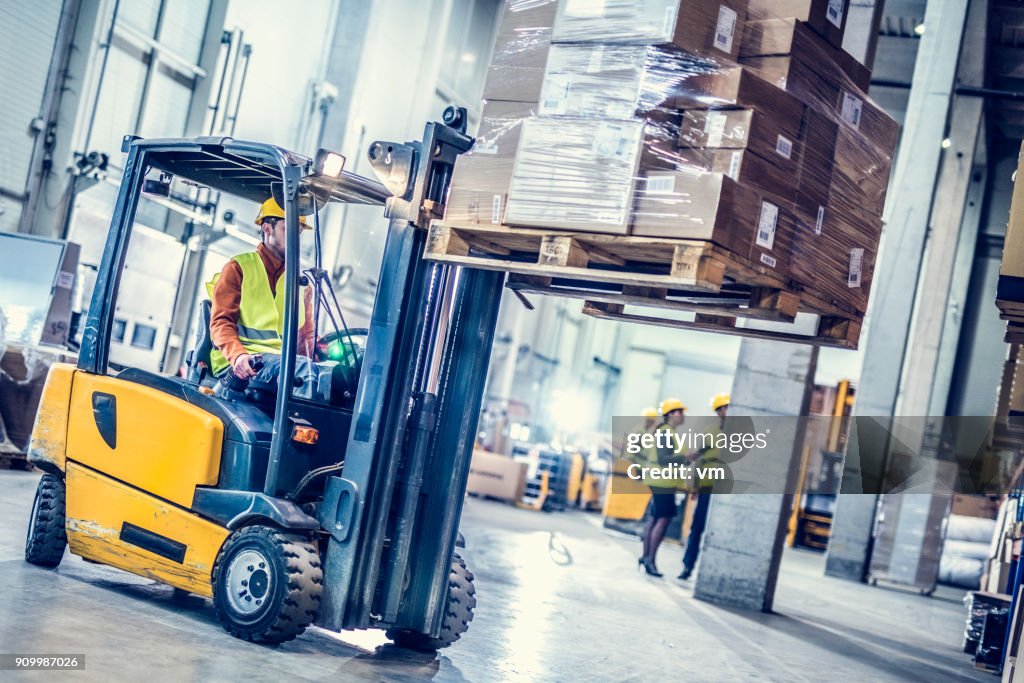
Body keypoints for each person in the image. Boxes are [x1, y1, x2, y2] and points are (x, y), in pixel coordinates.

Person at [208, 198, 316, 398]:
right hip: (242, 364)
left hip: (281, 365)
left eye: (299, 231)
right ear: (267, 228)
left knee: (336, 377)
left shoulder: (301, 284)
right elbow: (221, 322)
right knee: (303, 371)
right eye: (289, 228)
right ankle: (299, 426)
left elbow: (305, 339)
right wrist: (238, 356)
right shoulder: (239, 268)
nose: (297, 237)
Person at [678, 392, 729, 580]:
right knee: (698, 526)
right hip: (708, 486)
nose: (728, 411)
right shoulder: (711, 431)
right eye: (724, 408)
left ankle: (714, 572)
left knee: (721, 530)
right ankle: (688, 565)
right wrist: (694, 485)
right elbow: (698, 459)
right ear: (718, 411)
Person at [638, 398, 687, 577]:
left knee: (654, 518)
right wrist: (686, 458)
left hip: (661, 481)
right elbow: (663, 460)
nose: (683, 415)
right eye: (679, 411)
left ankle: (646, 557)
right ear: (670, 414)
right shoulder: (666, 433)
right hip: (662, 482)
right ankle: (650, 560)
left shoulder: (667, 432)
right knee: (663, 519)